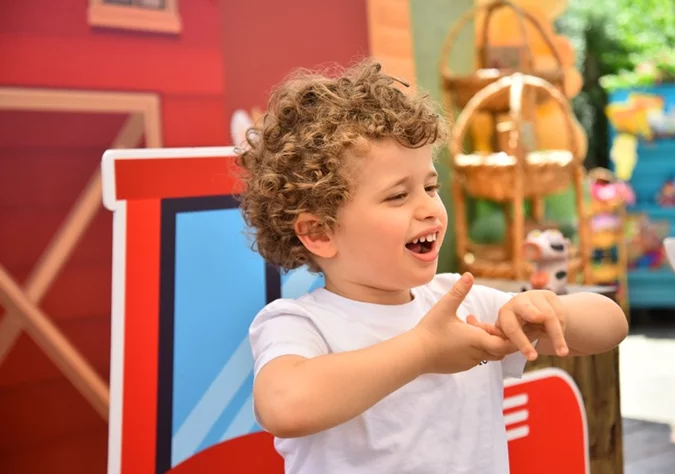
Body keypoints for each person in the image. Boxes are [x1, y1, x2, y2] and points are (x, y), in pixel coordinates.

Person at [236, 58, 628, 474]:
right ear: (319, 232)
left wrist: (550, 310)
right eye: (397, 196)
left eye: (430, 186)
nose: (429, 208)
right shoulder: (300, 323)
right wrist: (423, 350)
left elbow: (612, 324)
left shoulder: (460, 302)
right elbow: (284, 405)